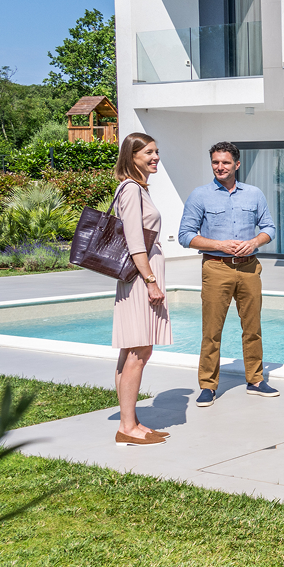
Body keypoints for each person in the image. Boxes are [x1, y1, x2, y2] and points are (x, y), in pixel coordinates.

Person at [178, 141, 278, 406]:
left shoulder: (254, 194)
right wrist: (219, 245)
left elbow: (270, 228)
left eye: (224, 162)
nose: (219, 167)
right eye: (215, 162)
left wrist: (255, 242)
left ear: (237, 164)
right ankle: (208, 386)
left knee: (252, 328)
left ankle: (256, 380)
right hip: (216, 268)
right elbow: (185, 236)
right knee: (211, 330)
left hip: (249, 269)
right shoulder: (200, 195)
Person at [111, 132, 172, 446]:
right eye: (148, 152)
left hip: (138, 278)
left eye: (157, 152)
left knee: (131, 351)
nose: (155, 157)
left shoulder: (136, 189)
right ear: (131, 156)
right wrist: (151, 282)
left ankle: (130, 421)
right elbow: (135, 242)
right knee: (139, 351)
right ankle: (126, 427)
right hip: (139, 280)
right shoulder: (132, 189)